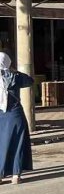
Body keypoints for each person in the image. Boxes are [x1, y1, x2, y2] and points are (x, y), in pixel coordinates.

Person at [0, 53, 33, 184]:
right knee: (18, 144)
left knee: (1, 144)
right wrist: (14, 70)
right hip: (15, 114)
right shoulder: (15, 77)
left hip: (1, 115)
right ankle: (15, 175)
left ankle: (1, 174)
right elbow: (30, 80)